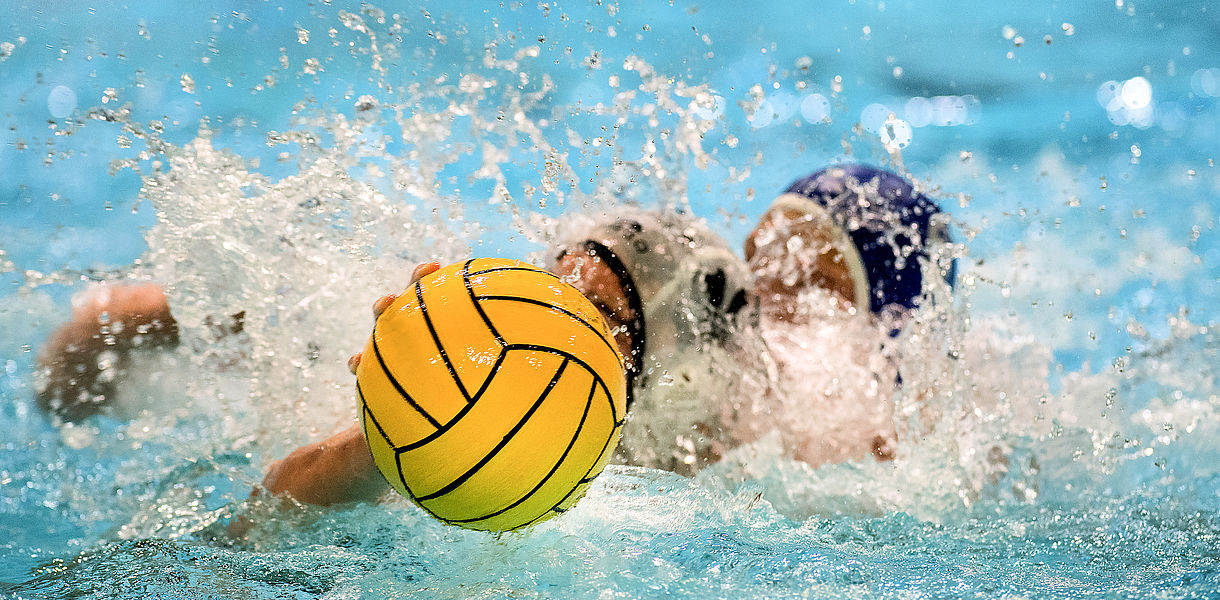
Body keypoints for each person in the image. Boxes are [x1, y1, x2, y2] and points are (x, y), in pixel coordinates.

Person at [34, 163, 954, 508]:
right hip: (526, 381)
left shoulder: (831, 405)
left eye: (817, 290)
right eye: (774, 259)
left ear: (876, 332)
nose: (779, 300)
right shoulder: (679, 287)